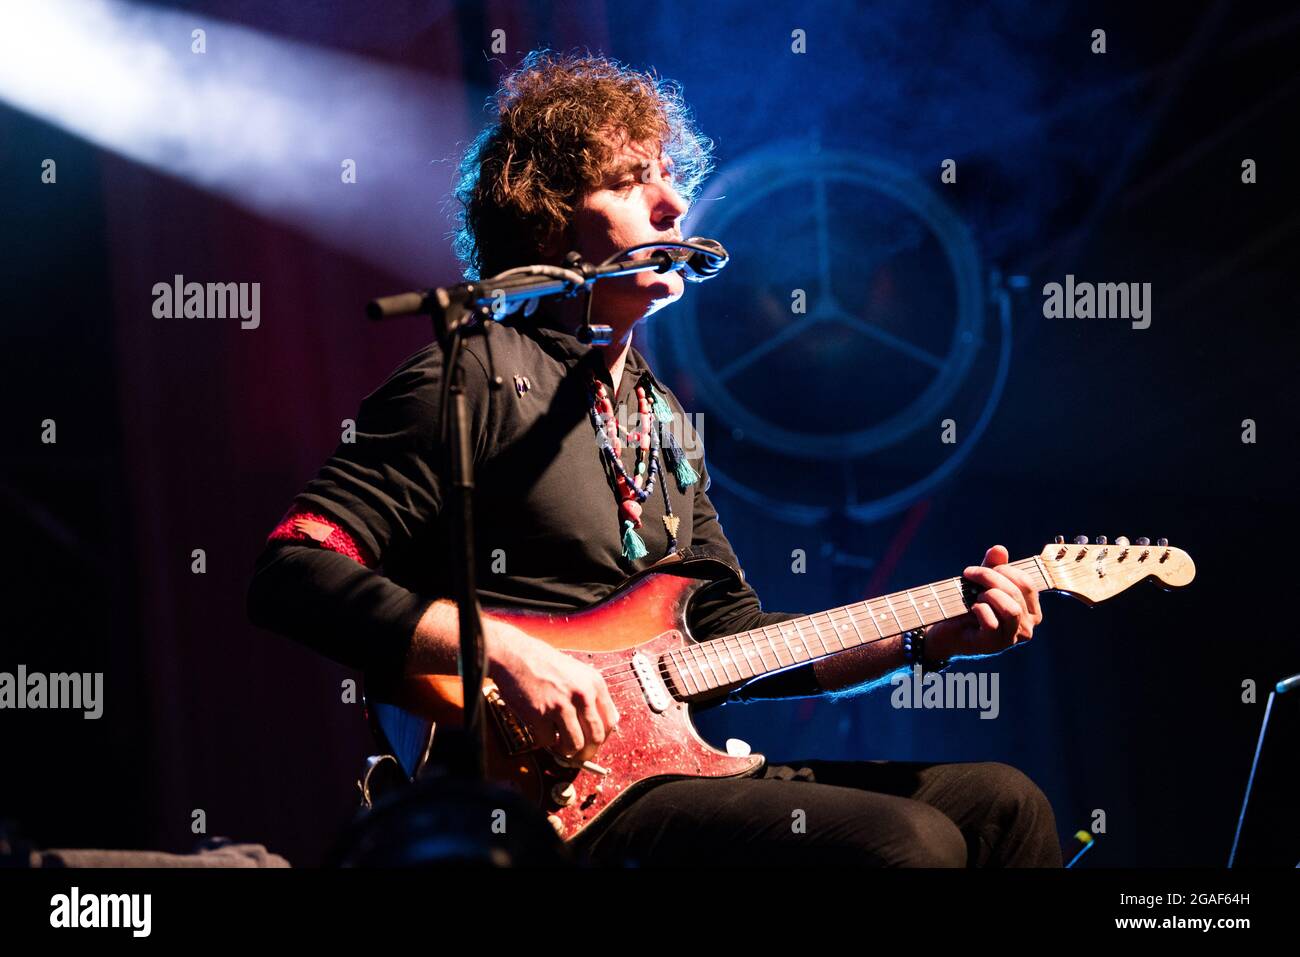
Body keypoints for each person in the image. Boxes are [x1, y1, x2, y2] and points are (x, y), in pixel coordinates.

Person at [247, 50, 1062, 867]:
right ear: (546, 216)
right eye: (632, 181)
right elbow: (293, 571)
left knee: (1002, 806)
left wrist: (926, 638)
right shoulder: (468, 375)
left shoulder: (661, 415)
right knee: (906, 842)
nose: (674, 204)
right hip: (552, 805)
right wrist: (502, 648)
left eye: (669, 177)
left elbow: (730, 637)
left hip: (670, 767)